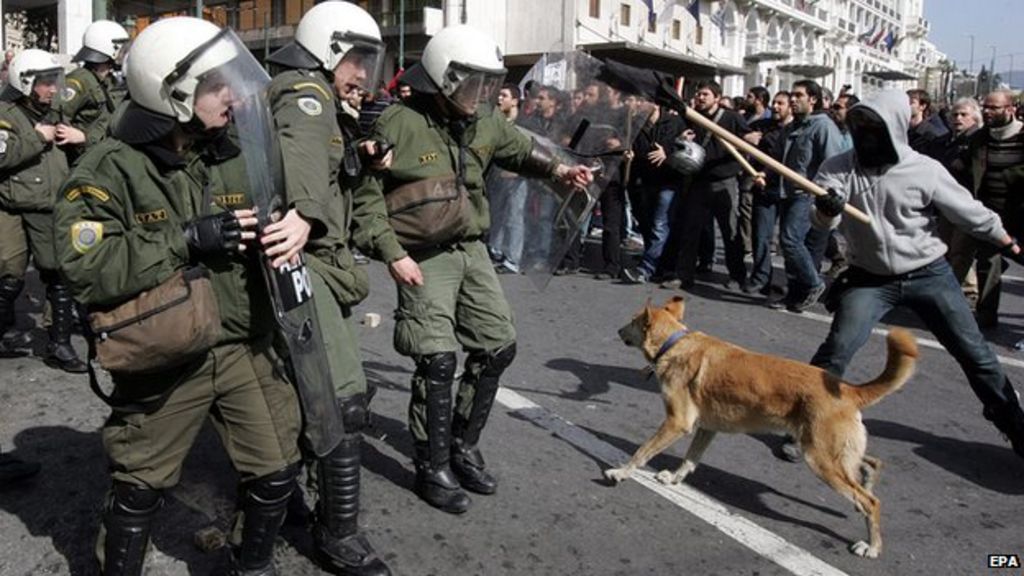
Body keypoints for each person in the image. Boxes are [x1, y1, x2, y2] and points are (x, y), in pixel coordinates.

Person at [53, 17, 302, 574]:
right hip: (164, 353)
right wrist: (185, 238)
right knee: (139, 487)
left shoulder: (239, 150)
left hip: (242, 342)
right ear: (174, 90)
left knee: (277, 470)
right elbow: (84, 267)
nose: (233, 96)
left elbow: (285, 205)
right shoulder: (109, 168)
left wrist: (293, 226)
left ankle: (252, 565)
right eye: (218, 85)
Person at [352, 24, 592, 514]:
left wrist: (559, 169)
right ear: (444, 79)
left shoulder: (483, 119)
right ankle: (431, 461)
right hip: (423, 256)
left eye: (488, 83)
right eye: (474, 83)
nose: (484, 93)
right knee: (437, 360)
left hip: (471, 249)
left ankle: (461, 443)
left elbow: (519, 150)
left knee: (498, 345)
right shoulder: (396, 123)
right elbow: (365, 200)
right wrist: (391, 253)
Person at [795, 89, 1024, 461]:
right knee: (837, 349)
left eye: (876, 128)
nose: (867, 136)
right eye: (861, 127)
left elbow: (968, 212)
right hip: (869, 278)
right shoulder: (838, 167)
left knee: (976, 355)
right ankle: (803, 422)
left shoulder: (924, 169)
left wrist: (1005, 239)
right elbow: (823, 222)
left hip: (928, 273)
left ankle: (1014, 424)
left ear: (896, 128)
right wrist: (826, 208)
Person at [263, 3, 391, 574]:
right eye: (357, 59)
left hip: (317, 259)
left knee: (296, 388)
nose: (363, 73)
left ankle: (283, 496)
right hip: (303, 257)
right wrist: (308, 212)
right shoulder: (306, 92)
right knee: (341, 394)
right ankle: (338, 532)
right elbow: (302, 152)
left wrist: (360, 155)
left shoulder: (323, 98)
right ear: (327, 48)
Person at [0, 49, 87, 373]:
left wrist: (81, 138)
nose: (53, 89)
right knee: (8, 272)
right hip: (11, 206)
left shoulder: (54, 113)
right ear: (25, 83)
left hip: (49, 207)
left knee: (57, 273)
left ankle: (59, 345)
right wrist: (37, 138)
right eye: (45, 82)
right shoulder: (6, 114)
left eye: (54, 81)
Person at [762, 79, 844, 312]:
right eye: (793, 95)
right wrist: (764, 175)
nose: (793, 100)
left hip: (808, 194)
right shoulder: (790, 128)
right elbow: (777, 160)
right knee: (790, 248)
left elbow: (834, 163)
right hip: (787, 192)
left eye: (799, 96)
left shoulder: (823, 127)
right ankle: (795, 294)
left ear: (813, 100)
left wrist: (829, 195)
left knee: (789, 240)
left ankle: (814, 283)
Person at [664, 80, 750, 290]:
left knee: (730, 232)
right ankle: (684, 275)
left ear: (717, 98)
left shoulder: (732, 118)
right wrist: (682, 139)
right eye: (699, 94)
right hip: (698, 182)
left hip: (723, 182)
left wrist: (749, 139)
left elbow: (748, 139)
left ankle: (737, 275)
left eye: (705, 94)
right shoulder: (693, 118)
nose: (700, 98)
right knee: (690, 231)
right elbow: (680, 143)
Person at [966, 90, 1024, 329]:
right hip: (990, 213)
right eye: (985, 107)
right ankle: (986, 315)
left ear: (1010, 109)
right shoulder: (980, 138)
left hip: (1020, 213)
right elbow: (966, 168)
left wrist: (1011, 176)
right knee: (987, 262)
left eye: (994, 108)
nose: (987, 112)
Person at [621, 98, 687, 284]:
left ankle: (646, 268)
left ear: (655, 104)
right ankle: (662, 265)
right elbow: (637, 149)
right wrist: (630, 155)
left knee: (660, 224)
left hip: (668, 181)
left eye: (643, 101)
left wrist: (667, 153)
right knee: (649, 224)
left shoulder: (673, 123)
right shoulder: (635, 125)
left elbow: (684, 148)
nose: (638, 105)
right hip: (646, 181)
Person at [59, 20, 130, 164]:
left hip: (101, 155)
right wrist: (83, 137)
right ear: (110, 48)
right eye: (120, 48)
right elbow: (57, 115)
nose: (123, 53)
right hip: (82, 160)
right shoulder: (80, 80)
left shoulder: (106, 81)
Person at [745, 90, 794, 295]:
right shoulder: (762, 127)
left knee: (790, 240)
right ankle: (761, 277)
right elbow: (740, 133)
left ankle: (793, 283)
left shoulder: (797, 130)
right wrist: (747, 137)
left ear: (790, 107)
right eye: (774, 102)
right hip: (765, 189)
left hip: (790, 191)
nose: (775, 106)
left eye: (780, 103)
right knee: (761, 235)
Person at [489, 84, 528, 275]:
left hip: (516, 180)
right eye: (498, 95)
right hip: (497, 178)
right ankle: (496, 251)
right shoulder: (498, 122)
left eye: (504, 95)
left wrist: (518, 171)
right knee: (497, 215)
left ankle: (513, 259)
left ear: (515, 100)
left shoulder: (524, 125)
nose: (499, 99)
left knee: (514, 217)